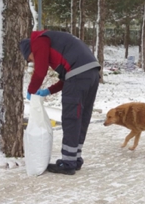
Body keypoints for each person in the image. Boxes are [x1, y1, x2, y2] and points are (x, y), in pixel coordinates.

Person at [19, 30, 100, 175]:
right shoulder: (58, 44)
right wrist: (48, 91)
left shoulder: (39, 40)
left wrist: (32, 89)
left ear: (30, 50)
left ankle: (68, 163)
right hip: (92, 73)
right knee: (82, 116)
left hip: (80, 74)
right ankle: (75, 158)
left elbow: (40, 71)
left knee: (71, 117)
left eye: (29, 59)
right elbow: (67, 79)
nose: (32, 61)